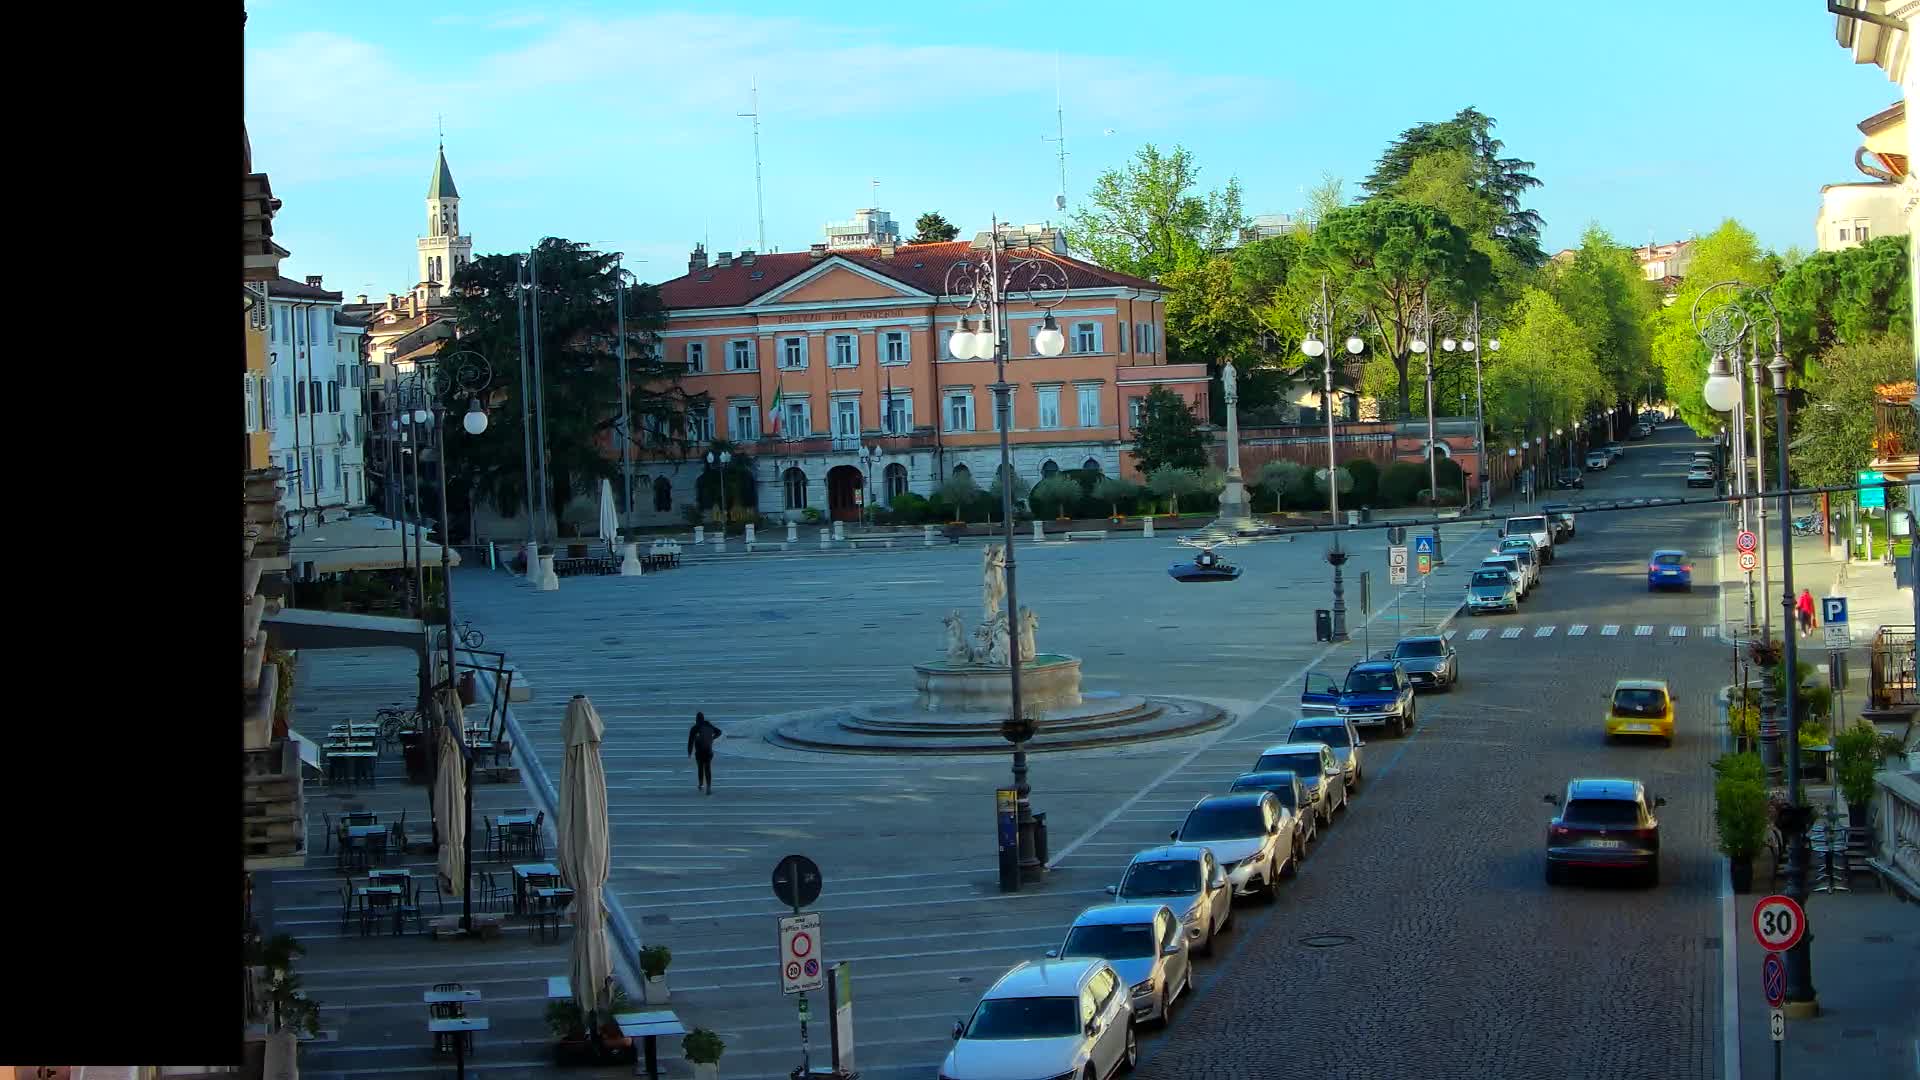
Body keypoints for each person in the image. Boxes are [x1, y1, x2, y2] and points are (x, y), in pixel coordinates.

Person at [687, 712, 722, 794]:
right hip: (708, 751)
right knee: (707, 768)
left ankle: (701, 784)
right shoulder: (709, 726)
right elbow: (719, 732)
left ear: (696, 719)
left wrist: (689, 752)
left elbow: (690, 741)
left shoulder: (695, 728)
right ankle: (709, 787)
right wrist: (712, 738)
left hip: (699, 752)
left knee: (700, 768)